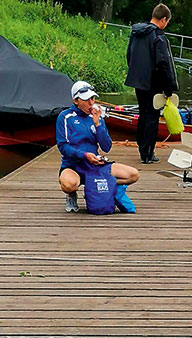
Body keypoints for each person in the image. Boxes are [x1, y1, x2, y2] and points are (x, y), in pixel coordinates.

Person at [57, 81, 140, 213]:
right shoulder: (65, 117)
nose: (91, 103)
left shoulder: (97, 117)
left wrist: (98, 124)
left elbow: (106, 147)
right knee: (69, 184)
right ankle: (72, 195)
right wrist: (84, 155)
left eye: (93, 98)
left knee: (133, 175)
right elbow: (63, 147)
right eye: (86, 99)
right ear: (76, 100)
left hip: (95, 165)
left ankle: (94, 188)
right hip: (73, 165)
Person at [125, 3, 178, 164]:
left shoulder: (137, 33)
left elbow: (129, 54)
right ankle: (148, 153)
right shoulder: (158, 36)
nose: (166, 25)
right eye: (167, 21)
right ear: (163, 19)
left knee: (143, 114)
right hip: (153, 83)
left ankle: (142, 148)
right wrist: (168, 88)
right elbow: (163, 63)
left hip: (138, 81)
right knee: (152, 117)